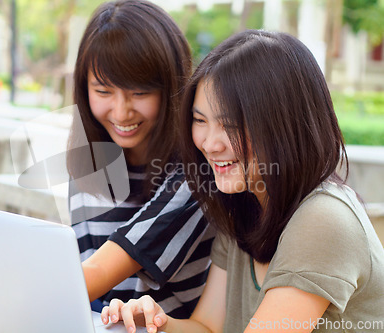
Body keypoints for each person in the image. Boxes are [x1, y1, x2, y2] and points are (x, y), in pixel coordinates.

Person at [100, 30, 384, 333]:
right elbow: (208, 327)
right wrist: (156, 322)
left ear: (285, 126)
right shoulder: (244, 205)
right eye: (200, 121)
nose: (210, 143)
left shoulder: (323, 220)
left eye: (230, 125)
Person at [66, 0, 214, 319]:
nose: (121, 112)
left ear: (172, 87)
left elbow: (99, 273)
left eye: (139, 93)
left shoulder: (200, 171)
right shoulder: (88, 161)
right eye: (103, 91)